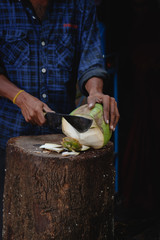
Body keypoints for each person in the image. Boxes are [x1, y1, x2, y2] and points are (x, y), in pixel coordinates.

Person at [0, 0, 120, 237]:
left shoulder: (80, 5)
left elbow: (91, 59)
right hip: (6, 140)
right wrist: (20, 98)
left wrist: (95, 91)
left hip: (62, 144)